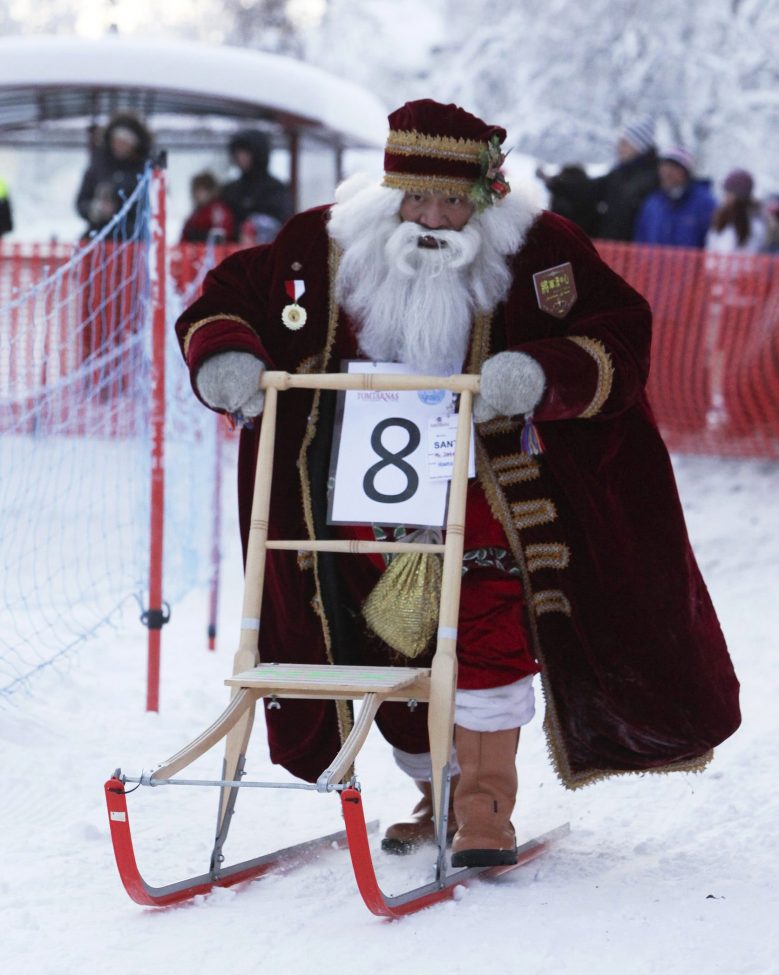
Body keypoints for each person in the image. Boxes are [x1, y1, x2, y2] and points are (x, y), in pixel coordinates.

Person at [176, 99, 741, 868]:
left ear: (485, 199)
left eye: (450, 200)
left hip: (483, 493)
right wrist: (228, 357)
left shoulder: (540, 248)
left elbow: (618, 331)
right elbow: (227, 297)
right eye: (416, 197)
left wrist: (539, 373)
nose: (432, 217)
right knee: (380, 634)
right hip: (351, 495)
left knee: (481, 628)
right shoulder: (326, 241)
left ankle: (483, 806)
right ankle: (433, 786)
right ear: (390, 190)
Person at [75, 112, 153, 238]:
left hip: (134, 241)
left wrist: (120, 209)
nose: (119, 145)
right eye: (117, 140)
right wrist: (95, 210)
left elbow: (151, 207)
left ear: (134, 144)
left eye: (125, 141)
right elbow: (81, 201)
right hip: (98, 238)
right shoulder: (98, 164)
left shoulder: (146, 169)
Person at [220, 129, 293, 245]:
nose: (240, 157)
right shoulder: (231, 189)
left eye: (245, 152)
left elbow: (284, 224)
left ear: (257, 153)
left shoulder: (275, 189)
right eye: (237, 152)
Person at [633, 146, 716, 248]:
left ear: (685, 172)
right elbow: (641, 240)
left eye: (673, 169)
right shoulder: (652, 203)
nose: (666, 174)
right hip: (654, 263)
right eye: (664, 168)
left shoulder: (704, 204)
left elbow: (713, 243)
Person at [706, 169, 768, 254]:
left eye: (730, 193)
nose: (726, 197)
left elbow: (751, 251)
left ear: (741, 196)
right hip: (716, 265)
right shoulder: (721, 216)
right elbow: (712, 246)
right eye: (726, 192)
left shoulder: (754, 222)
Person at [535, 163, 598, 236]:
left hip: (560, 230)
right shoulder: (589, 186)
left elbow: (548, 180)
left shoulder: (559, 184)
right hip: (587, 232)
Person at [180, 172, 236, 243]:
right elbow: (184, 238)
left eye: (201, 190)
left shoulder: (218, 211)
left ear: (210, 191)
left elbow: (222, 236)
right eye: (196, 190)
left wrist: (201, 236)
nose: (198, 194)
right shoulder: (194, 215)